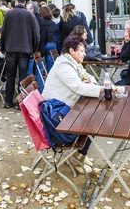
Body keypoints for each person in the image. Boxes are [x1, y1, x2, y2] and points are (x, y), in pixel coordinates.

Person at [42, 35, 103, 171]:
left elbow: (88, 77)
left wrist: (93, 84)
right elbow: (78, 87)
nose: (84, 53)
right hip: (57, 116)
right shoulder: (64, 65)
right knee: (93, 119)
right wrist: (102, 89)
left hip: (65, 108)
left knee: (94, 116)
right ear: (71, 51)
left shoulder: (73, 64)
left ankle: (81, 155)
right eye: (81, 51)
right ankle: (78, 156)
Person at [1, 0, 39, 109]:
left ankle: (8, 101)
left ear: (16, 2)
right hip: (25, 49)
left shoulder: (8, 14)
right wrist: (34, 49)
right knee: (23, 77)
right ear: (25, 2)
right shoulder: (30, 15)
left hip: (11, 49)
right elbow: (36, 34)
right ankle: (20, 103)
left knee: (10, 75)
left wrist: (3, 48)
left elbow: (4, 33)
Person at [26, 1, 48, 82]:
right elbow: (44, 37)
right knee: (40, 74)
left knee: (29, 74)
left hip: (32, 51)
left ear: (32, 9)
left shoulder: (30, 21)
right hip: (41, 50)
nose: (26, 10)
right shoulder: (42, 20)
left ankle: (31, 93)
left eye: (27, 9)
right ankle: (40, 93)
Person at [39, 6, 57, 73]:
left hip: (45, 43)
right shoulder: (53, 23)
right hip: (53, 44)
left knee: (41, 66)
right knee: (51, 66)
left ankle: (42, 81)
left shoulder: (42, 22)